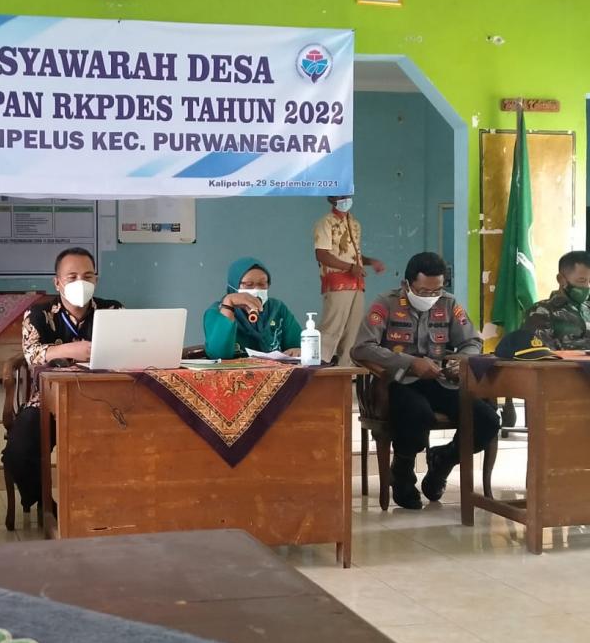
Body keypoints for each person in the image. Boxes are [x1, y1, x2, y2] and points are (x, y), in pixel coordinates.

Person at [351, 251, 500, 509]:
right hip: (398, 382)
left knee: (487, 420)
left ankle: (443, 461)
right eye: (423, 291)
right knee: (417, 413)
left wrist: (460, 361)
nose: (431, 296)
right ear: (407, 284)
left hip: (440, 380)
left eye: (436, 290)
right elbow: (362, 348)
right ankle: (402, 473)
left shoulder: (449, 303)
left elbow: (472, 341)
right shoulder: (385, 303)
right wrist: (409, 362)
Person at [1, 247, 122, 513]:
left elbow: (129, 349)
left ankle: (111, 505)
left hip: (104, 401)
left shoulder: (112, 310)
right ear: (57, 282)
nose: (81, 282)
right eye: (72, 277)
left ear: (96, 279)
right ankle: (46, 504)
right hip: (48, 401)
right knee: (18, 451)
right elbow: (32, 354)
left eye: (88, 276)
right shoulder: (38, 314)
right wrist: (69, 350)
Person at [314, 195, 385, 365]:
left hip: (357, 283)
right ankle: (318, 365)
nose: (346, 199)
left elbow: (353, 255)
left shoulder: (354, 223)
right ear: (331, 199)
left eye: (347, 196)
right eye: (341, 196)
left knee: (354, 329)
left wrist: (370, 262)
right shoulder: (325, 222)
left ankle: (346, 368)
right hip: (337, 282)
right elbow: (322, 254)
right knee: (332, 326)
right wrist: (351, 268)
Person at [204, 257, 301, 359]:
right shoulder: (216, 312)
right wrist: (229, 304)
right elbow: (218, 355)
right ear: (233, 286)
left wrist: (298, 350)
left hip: (274, 369)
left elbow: (297, 344)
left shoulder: (277, 308)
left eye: (262, 284)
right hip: (235, 369)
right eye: (248, 285)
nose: (257, 289)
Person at [521, 250, 590, 350]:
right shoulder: (540, 311)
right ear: (561, 279)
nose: (587, 286)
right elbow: (541, 349)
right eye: (582, 280)